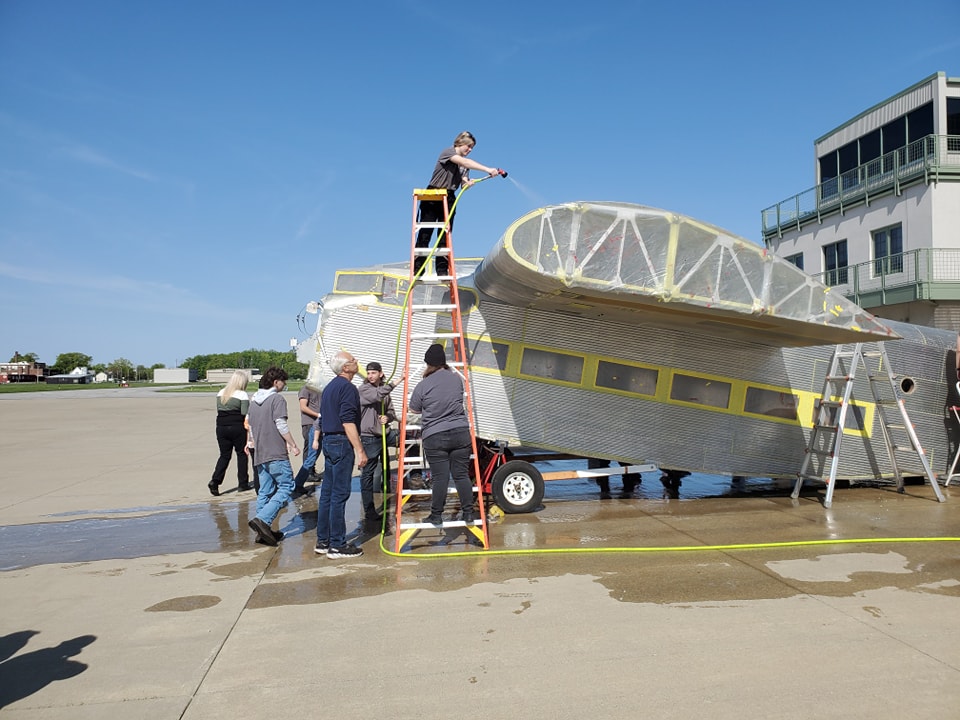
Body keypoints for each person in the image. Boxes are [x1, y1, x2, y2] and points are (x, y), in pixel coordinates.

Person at [414, 131, 502, 278]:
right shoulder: (448, 152)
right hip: (433, 194)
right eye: (469, 146)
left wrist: (468, 184)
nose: (470, 150)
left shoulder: (465, 166)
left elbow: (463, 183)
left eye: (472, 147)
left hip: (449, 196)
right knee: (426, 232)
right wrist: (488, 169)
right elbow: (464, 162)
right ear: (460, 143)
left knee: (445, 234)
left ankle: (442, 270)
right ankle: (418, 268)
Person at [409, 343, 476, 526]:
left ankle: (436, 515)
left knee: (441, 478)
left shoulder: (423, 385)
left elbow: (414, 409)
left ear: (428, 363)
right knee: (461, 475)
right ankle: (468, 513)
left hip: (435, 434)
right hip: (460, 432)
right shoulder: (456, 379)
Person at [315, 351, 367, 559]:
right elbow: (347, 421)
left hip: (329, 440)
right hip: (340, 441)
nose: (356, 362)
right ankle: (337, 544)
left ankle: (323, 540)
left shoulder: (330, 387)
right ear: (345, 367)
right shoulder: (347, 387)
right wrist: (360, 450)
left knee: (328, 493)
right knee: (339, 493)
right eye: (353, 360)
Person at [245, 367, 299, 546]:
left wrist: (251, 443)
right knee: (286, 486)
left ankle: (262, 530)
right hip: (275, 452)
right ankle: (262, 520)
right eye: (283, 382)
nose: (285, 385)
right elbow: (281, 424)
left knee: (265, 491)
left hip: (260, 452)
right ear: (276, 382)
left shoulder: (254, 402)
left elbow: (250, 427)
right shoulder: (277, 399)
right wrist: (292, 443)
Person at [358, 361, 404, 525]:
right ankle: (369, 509)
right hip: (369, 437)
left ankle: (413, 477)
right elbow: (377, 395)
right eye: (368, 373)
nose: (370, 376)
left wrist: (388, 417)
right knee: (368, 473)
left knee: (406, 439)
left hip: (384, 433)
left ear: (380, 373)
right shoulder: (364, 389)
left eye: (373, 373)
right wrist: (398, 380)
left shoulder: (384, 390)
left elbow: (391, 411)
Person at [209, 370, 251, 496]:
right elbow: (245, 413)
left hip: (221, 427)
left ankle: (215, 480)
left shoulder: (221, 393)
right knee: (242, 454)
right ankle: (242, 483)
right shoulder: (242, 395)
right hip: (237, 427)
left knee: (224, 455)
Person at [292, 383, 321, 496]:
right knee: (310, 452)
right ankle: (302, 479)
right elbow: (303, 407)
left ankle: (309, 472)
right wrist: (318, 415)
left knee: (315, 452)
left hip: (319, 423)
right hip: (310, 423)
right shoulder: (305, 389)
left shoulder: (320, 388)